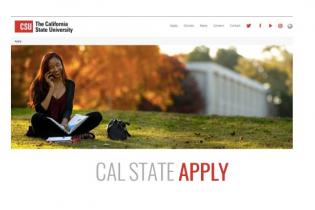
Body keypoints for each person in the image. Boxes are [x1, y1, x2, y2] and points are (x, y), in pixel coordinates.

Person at [27, 52, 102, 139]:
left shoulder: (70, 85)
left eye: (58, 65)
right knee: (36, 118)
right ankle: (73, 135)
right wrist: (51, 88)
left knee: (96, 116)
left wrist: (65, 122)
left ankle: (63, 135)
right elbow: (40, 110)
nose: (55, 69)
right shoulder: (38, 84)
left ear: (62, 64)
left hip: (64, 125)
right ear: (46, 70)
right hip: (48, 125)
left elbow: (68, 108)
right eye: (51, 67)